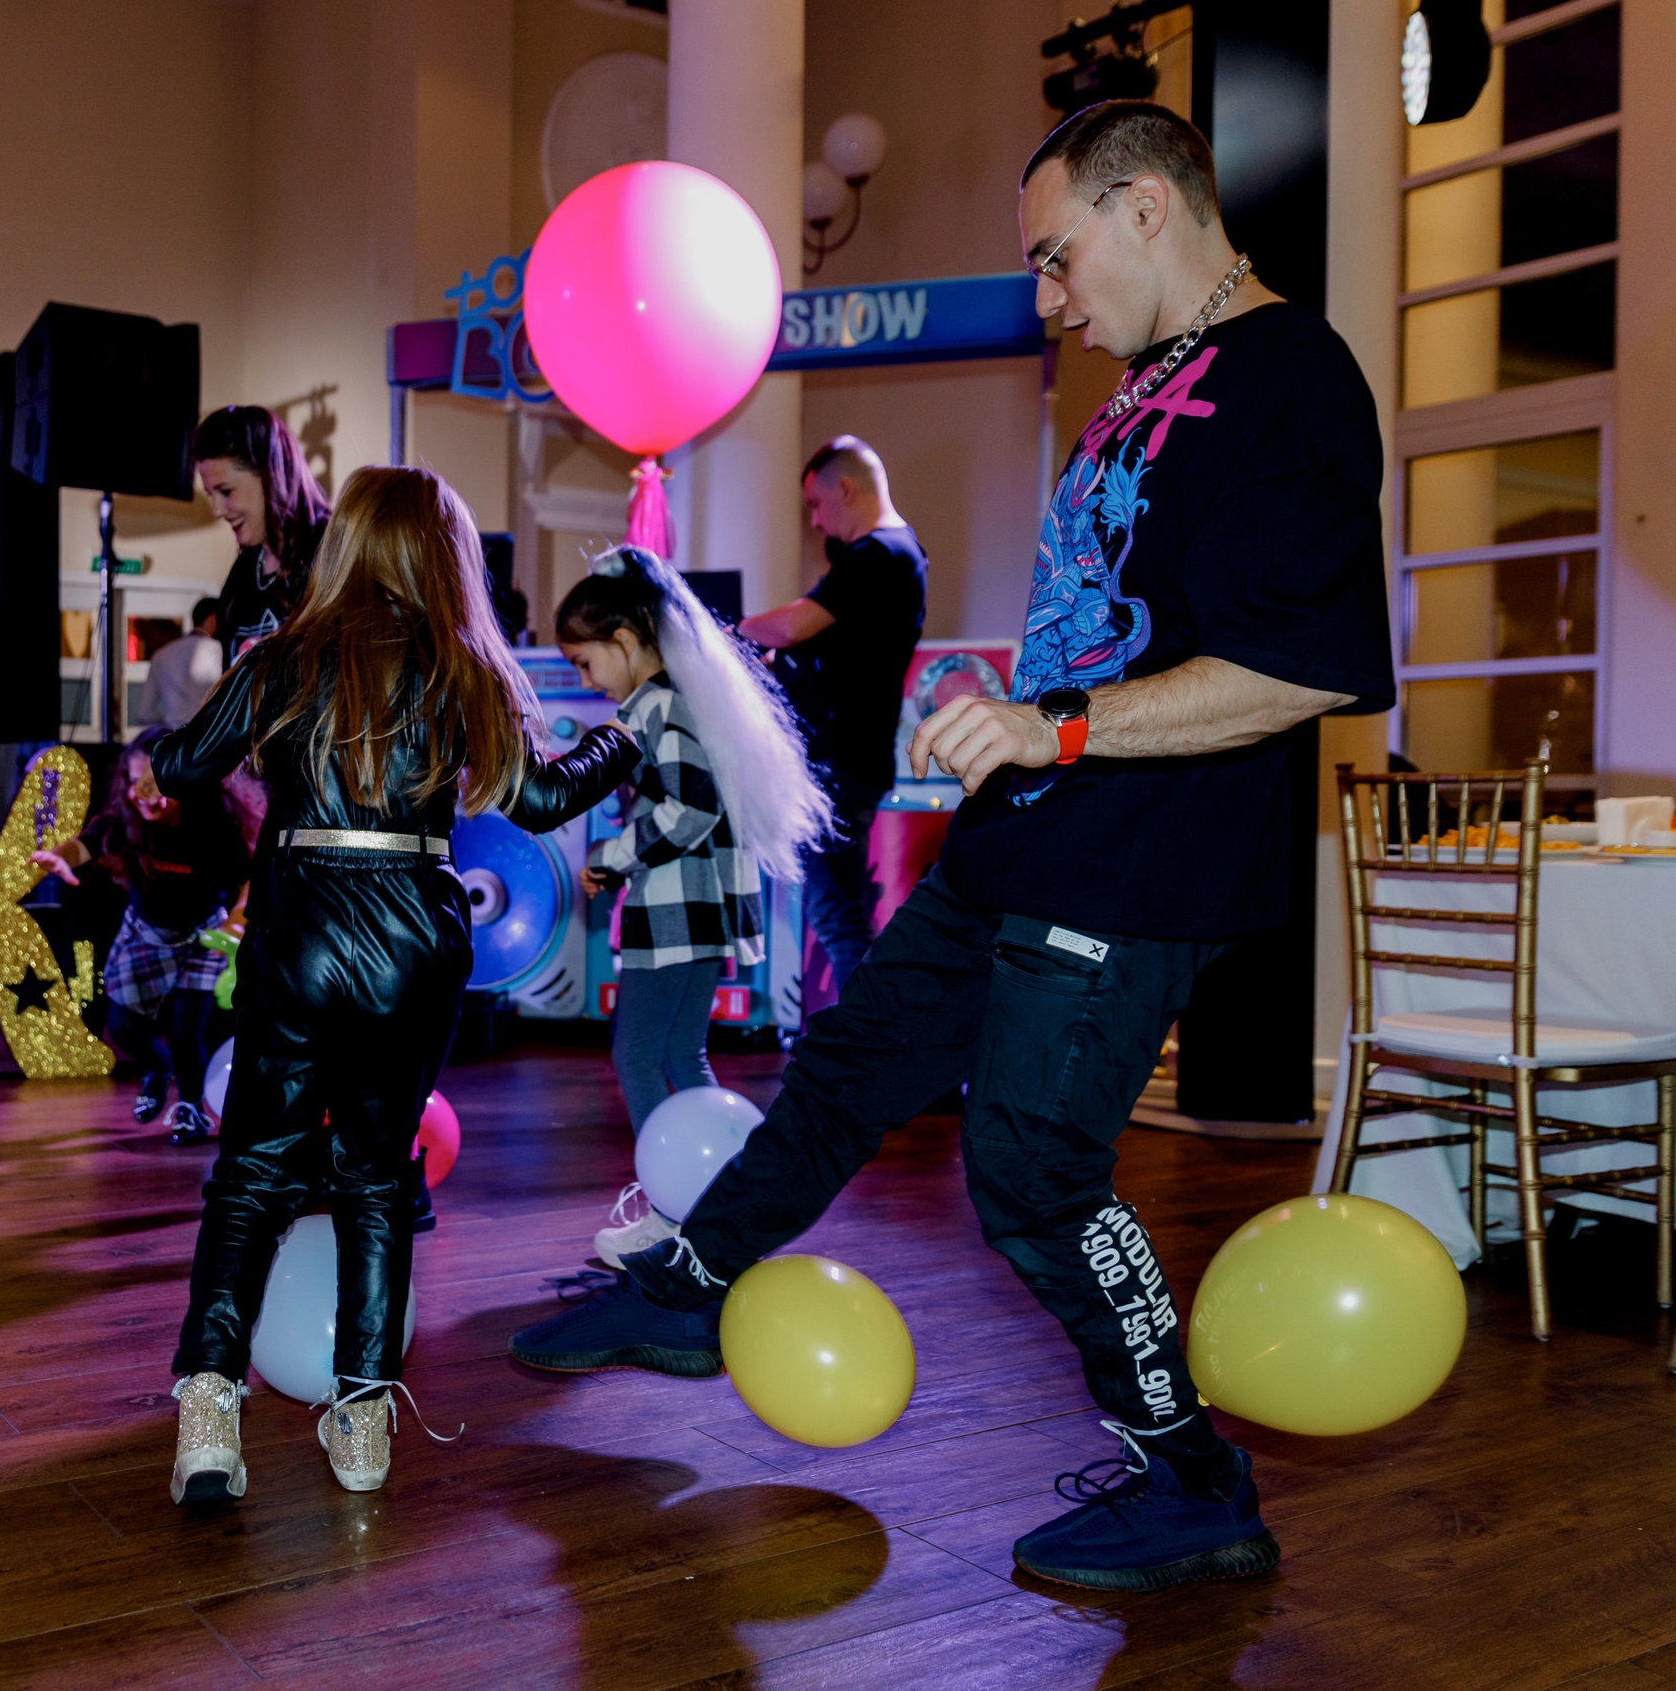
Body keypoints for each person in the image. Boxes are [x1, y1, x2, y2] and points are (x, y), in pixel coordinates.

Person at [510, 99, 1394, 1594]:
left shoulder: (1291, 376)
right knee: (853, 1059)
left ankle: (1193, 1482)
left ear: (1145, 209)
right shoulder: (1151, 374)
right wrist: (1021, 720)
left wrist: (1055, 729)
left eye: (1058, 261)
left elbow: (1308, 662)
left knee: (1036, 1169)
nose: (1051, 302)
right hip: (1029, 838)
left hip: (1137, 862)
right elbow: (1115, 622)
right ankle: (693, 1284)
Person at [152, 466, 638, 1504]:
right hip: (414, 923)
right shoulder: (462, 662)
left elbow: (186, 768)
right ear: (440, 552)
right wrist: (624, 737)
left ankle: (207, 1409)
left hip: (299, 921)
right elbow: (543, 798)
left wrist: (202, 741)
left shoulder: (283, 653)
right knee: (378, 1176)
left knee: (251, 1175)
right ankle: (363, 1416)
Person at [556, 548, 827, 1269]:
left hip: (677, 910)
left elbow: (689, 809)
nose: (585, 682)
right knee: (679, 1052)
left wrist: (609, 859)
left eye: (585, 664)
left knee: (638, 1054)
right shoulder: (685, 701)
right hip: (696, 908)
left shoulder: (654, 707)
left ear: (622, 642)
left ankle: (670, 1213)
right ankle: (723, 1204)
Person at [737, 438, 927, 1017]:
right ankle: (864, 1052)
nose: (815, 519)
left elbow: (794, 627)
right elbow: (831, 655)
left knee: (838, 918)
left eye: (817, 504)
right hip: (848, 764)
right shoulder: (895, 555)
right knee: (840, 913)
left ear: (845, 488)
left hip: (838, 768)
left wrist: (725, 633)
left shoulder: (879, 555)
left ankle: (860, 1055)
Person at [33, 726, 250, 1143]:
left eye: (157, 785)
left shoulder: (212, 823)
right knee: (126, 1029)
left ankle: (190, 1109)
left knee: (187, 1033)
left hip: (199, 938)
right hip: (144, 935)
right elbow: (89, 844)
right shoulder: (126, 820)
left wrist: (237, 918)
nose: (146, 796)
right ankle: (156, 1067)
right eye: (136, 784)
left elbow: (247, 876)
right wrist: (60, 858)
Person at [193, 406, 332, 666]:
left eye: (225, 491)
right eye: (211, 495)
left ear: (271, 476)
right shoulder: (244, 572)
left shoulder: (330, 555)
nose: (217, 510)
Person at [140, 597, 225, 726]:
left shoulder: (161, 655)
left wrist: (170, 723)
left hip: (174, 738)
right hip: (207, 737)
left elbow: (143, 713)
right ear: (212, 619)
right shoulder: (218, 651)